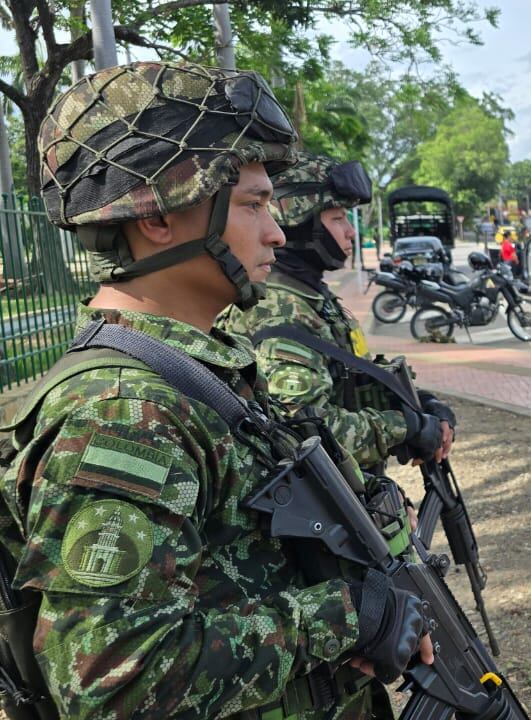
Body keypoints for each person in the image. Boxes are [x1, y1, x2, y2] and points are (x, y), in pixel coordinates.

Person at [0, 62, 430, 719]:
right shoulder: (125, 411)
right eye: (253, 204)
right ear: (159, 216)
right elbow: (113, 682)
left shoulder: (196, 373)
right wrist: (343, 616)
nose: (277, 233)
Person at [218, 152, 454, 472]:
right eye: (338, 218)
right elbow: (307, 432)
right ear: (301, 224)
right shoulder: (280, 312)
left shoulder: (308, 296)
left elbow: (346, 378)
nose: (351, 232)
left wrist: (419, 402)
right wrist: (405, 427)